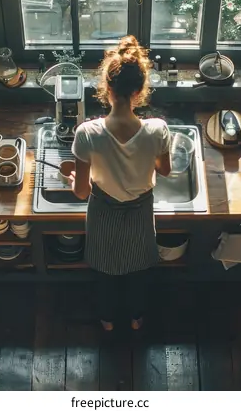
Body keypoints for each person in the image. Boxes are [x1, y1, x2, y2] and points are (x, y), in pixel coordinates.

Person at [70, 35, 172, 331]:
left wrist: (75, 178)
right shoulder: (157, 131)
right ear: (139, 91)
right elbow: (164, 171)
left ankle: (107, 321)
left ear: (106, 88)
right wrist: (142, 157)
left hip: (103, 211)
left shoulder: (87, 133)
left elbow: (81, 192)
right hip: (140, 212)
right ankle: (137, 318)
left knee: (105, 275)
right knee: (138, 274)